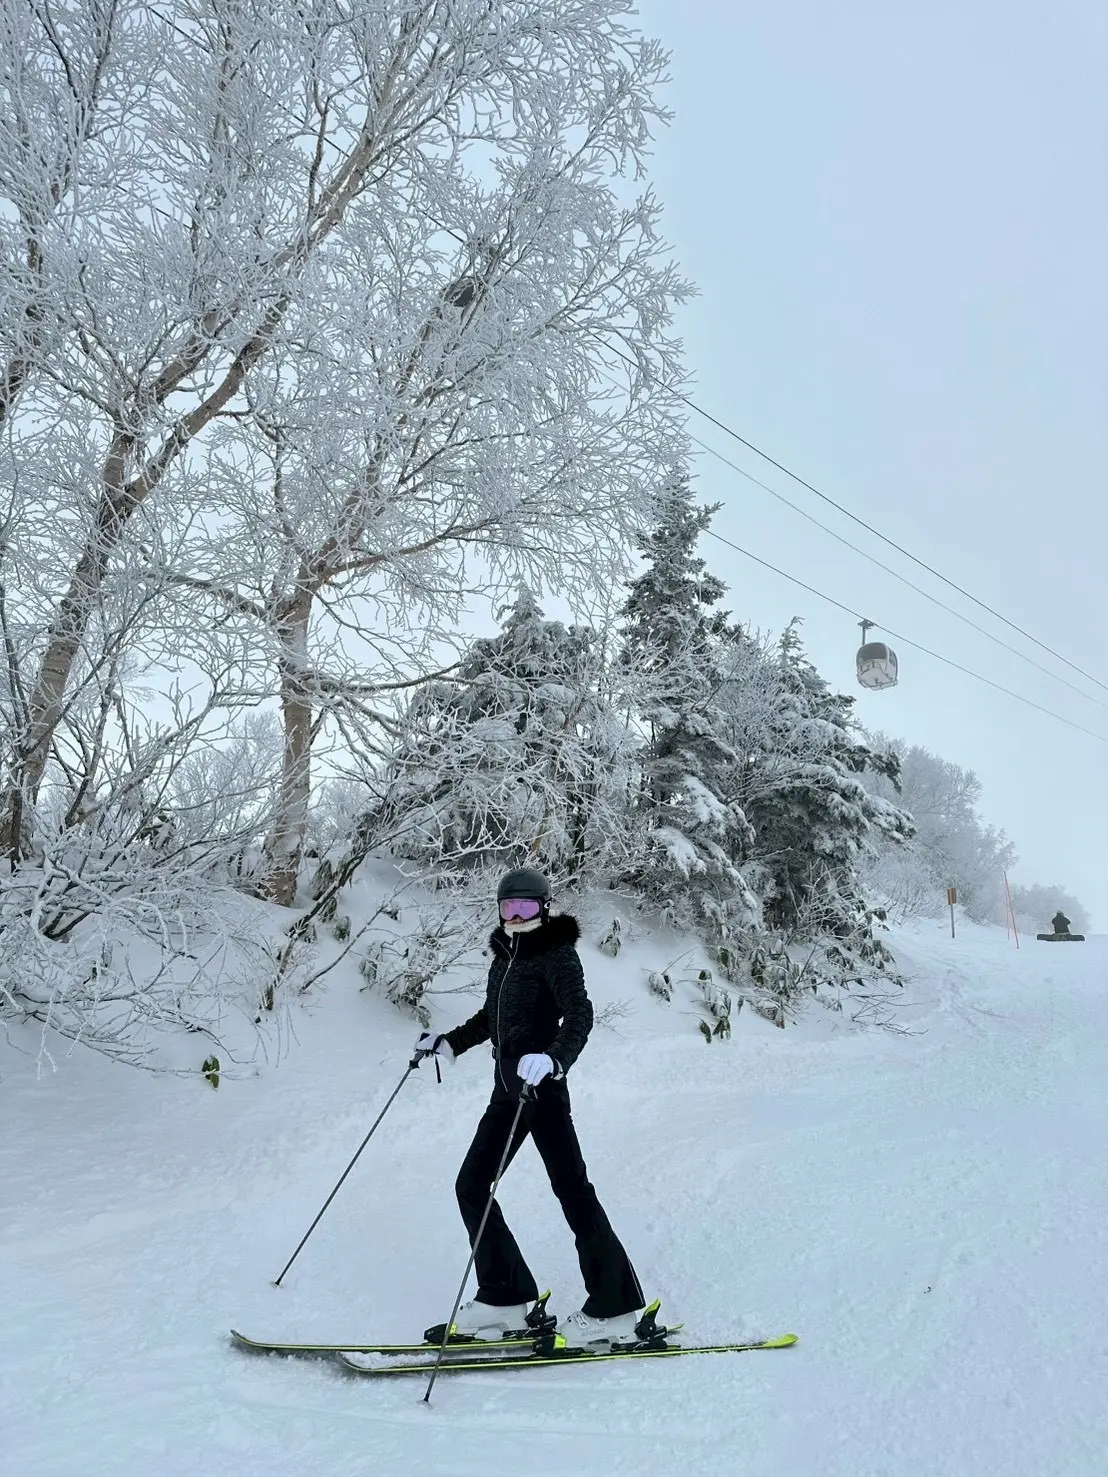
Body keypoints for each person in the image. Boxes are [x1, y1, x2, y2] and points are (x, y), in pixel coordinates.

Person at [415, 867, 645, 1344]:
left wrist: (554, 1059)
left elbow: (581, 1013)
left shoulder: (556, 953)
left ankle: (616, 1307)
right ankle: (505, 1297)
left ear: (544, 907)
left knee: (573, 1192)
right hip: (507, 1091)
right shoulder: (503, 955)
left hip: (542, 1090)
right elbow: (491, 1017)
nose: (515, 916)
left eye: (524, 907)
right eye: (507, 908)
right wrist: (449, 1043)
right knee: (471, 1184)